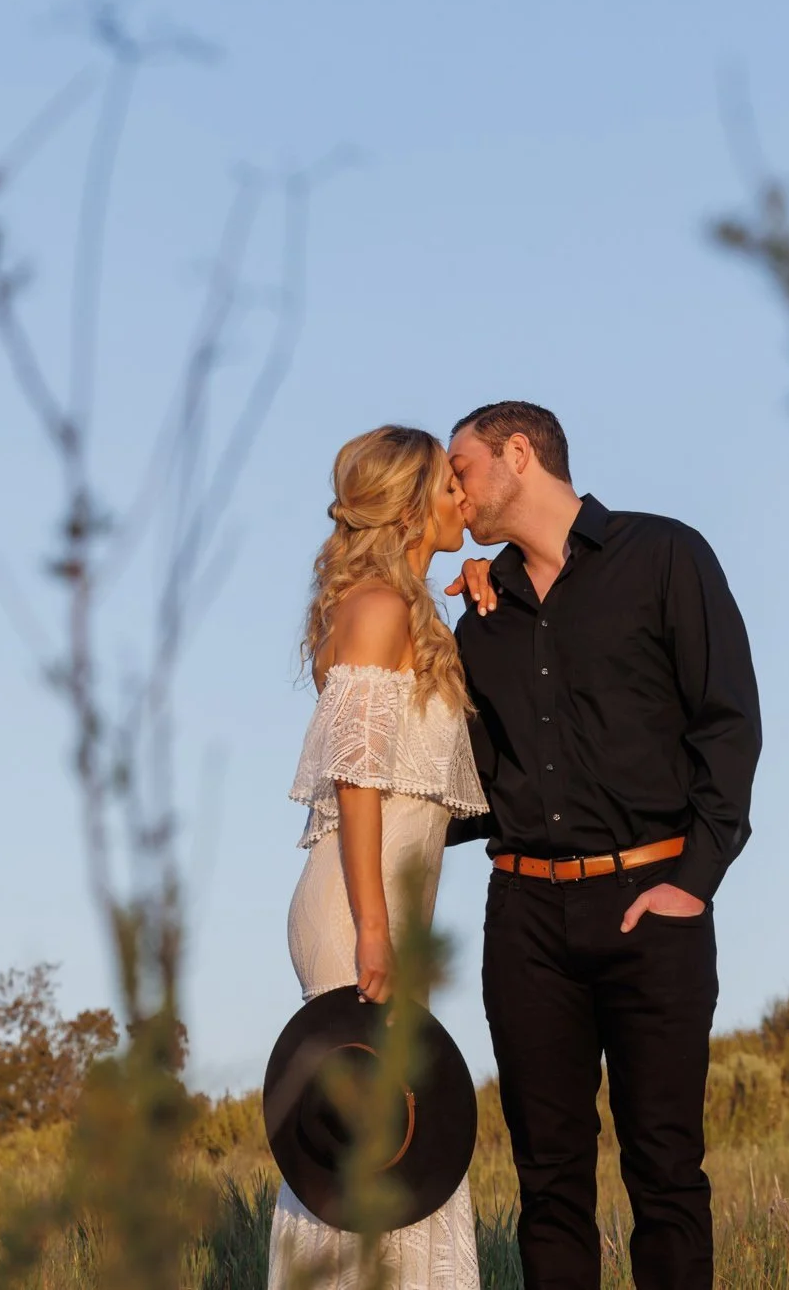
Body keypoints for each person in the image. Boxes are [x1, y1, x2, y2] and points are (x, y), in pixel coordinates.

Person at [443, 401, 761, 1290]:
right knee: (549, 1184)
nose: (453, 491)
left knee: (665, 1171)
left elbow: (727, 724)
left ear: (517, 454)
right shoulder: (483, 615)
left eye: (460, 468)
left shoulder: (666, 557)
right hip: (525, 919)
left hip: (651, 900)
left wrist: (694, 879)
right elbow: (475, 789)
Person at [269, 425, 489, 1290]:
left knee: (397, 1144)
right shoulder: (378, 607)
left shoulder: (400, 609)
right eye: (447, 488)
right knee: (374, 1142)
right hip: (359, 914)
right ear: (406, 506)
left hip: (383, 911)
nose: (462, 502)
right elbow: (357, 780)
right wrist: (372, 931)